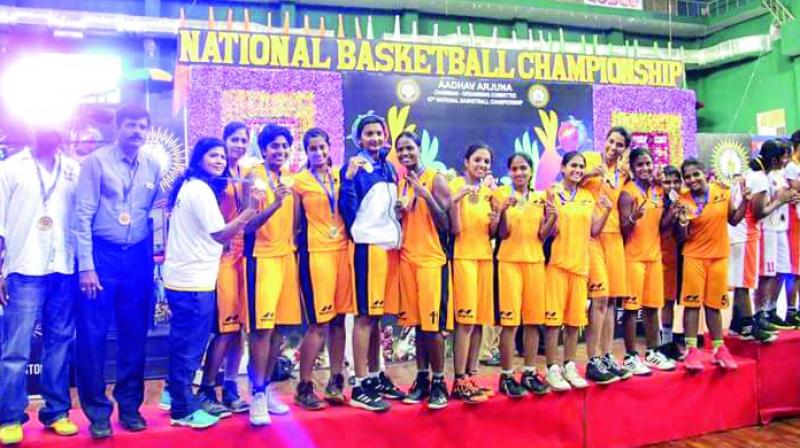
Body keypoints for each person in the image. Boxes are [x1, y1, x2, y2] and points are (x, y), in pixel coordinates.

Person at [73, 104, 162, 439]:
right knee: (93, 338)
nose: (137, 132)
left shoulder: (152, 165)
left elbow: (153, 211)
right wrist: (87, 267)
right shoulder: (96, 163)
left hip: (137, 259)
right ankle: (97, 412)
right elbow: (81, 217)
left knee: (134, 336)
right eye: (130, 125)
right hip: (102, 257)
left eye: (142, 126)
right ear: (117, 128)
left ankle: (129, 407)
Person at [163, 137, 258, 429]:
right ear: (199, 159)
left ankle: (176, 397)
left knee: (185, 344)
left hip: (188, 278)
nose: (218, 161)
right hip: (192, 281)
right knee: (189, 347)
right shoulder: (200, 190)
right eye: (212, 156)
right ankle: (182, 410)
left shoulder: (190, 186)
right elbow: (220, 234)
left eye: (221, 156)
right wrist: (250, 209)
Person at [0, 128, 81, 445]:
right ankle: (9, 417)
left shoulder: (73, 169)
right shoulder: (10, 168)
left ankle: (57, 411)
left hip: (64, 266)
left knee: (59, 343)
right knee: (16, 348)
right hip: (24, 267)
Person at [338, 113, 405, 412]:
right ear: (358, 138)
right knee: (364, 317)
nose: (375, 138)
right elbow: (348, 211)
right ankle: (360, 383)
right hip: (366, 247)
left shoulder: (389, 167)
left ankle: (376, 375)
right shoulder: (353, 168)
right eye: (369, 134)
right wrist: (349, 181)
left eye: (379, 133)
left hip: (388, 250)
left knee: (376, 318)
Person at [241, 124, 300, 425]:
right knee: (261, 331)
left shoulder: (290, 179)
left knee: (280, 331)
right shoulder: (254, 177)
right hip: (261, 260)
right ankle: (257, 394)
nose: (280, 150)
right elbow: (247, 225)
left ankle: (266, 389)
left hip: (286, 259)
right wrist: (276, 204)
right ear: (263, 149)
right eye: (274, 146)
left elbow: (296, 223)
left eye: (284, 146)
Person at [195, 122, 253, 416]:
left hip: (246, 255)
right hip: (223, 255)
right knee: (225, 327)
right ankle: (206, 387)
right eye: (234, 139)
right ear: (224, 140)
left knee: (240, 327)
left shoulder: (245, 174)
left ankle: (230, 386)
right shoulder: (213, 178)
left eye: (244, 140)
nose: (239, 145)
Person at [293, 128, 352, 410]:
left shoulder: (342, 175)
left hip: (342, 252)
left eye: (322, 147)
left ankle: (336, 379)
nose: (318, 152)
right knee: (319, 322)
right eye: (312, 148)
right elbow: (294, 225)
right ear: (306, 151)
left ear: (330, 147)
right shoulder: (299, 182)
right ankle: (304, 385)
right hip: (315, 255)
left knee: (339, 320)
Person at [393, 131, 452, 409]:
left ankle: (440, 381)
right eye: (401, 150)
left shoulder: (435, 178)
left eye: (409, 148)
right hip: (408, 260)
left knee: (433, 327)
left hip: (431, 261)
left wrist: (426, 195)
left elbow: (447, 224)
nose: (405, 154)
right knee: (417, 326)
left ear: (419, 149)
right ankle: (422, 378)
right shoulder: (401, 183)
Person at [544, 151, 610, 391]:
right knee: (553, 322)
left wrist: (608, 211)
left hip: (581, 267)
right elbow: (547, 231)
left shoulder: (586, 196)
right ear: (563, 168)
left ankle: (569, 365)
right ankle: (552, 368)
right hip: (558, 265)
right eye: (573, 165)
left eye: (581, 167)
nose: (578, 170)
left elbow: (594, 230)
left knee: (574, 323)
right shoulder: (552, 192)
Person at [675, 159, 748, 371]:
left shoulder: (722, 192)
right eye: (687, 177)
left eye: (695, 174)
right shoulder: (683, 200)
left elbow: (734, 219)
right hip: (694, 256)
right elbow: (681, 237)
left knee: (714, 305)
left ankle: (719, 349)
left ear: (704, 172)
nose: (692, 179)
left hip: (718, 257)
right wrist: (681, 222)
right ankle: (691, 350)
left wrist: (744, 201)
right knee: (691, 304)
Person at [492, 152, 555, 397]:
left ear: (531, 171)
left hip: (535, 262)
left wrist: (553, 217)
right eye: (514, 169)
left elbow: (543, 235)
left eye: (523, 168)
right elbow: (502, 234)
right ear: (509, 172)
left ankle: (529, 371)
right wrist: (504, 210)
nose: (519, 173)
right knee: (510, 323)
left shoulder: (541, 197)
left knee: (532, 321)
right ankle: (507, 375)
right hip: (508, 262)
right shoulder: (500, 196)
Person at [581, 127, 636, 380]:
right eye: (611, 142)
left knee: (612, 300)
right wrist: (587, 173)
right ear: (604, 141)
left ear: (625, 149)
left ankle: (606, 356)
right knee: (600, 297)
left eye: (620, 145)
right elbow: (566, 181)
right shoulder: (589, 160)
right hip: (593, 235)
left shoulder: (622, 173)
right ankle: (592, 359)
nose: (614, 147)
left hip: (614, 236)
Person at [617, 149, 676, 373]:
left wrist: (673, 209)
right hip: (633, 257)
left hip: (654, 257)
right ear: (632, 168)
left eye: (648, 163)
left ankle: (653, 352)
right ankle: (631, 356)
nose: (645, 168)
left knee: (652, 308)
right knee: (632, 310)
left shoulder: (658, 191)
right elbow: (622, 229)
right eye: (640, 165)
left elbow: (661, 226)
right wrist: (633, 217)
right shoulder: (627, 193)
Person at [449, 144, 497, 403]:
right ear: (466, 161)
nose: (482, 165)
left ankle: (471, 375)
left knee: (479, 322)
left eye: (486, 161)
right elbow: (455, 229)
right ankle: (458, 380)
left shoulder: (489, 192)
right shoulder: (455, 185)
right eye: (477, 160)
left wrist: (497, 216)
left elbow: (491, 233)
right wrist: (456, 200)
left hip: (484, 258)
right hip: (464, 257)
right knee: (465, 322)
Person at [749, 140, 797, 336]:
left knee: (782, 271)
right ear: (775, 158)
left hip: (781, 227)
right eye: (785, 156)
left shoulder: (778, 174)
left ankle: (771, 308)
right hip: (767, 228)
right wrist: (781, 199)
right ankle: (760, 313)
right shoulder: (760, 176)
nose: (787, 160)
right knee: (765, 274)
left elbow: (785, 194)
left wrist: (789, 197)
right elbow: (762, 207)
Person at [658, 165, 687, 360]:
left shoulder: (686, 200)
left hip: (683, 256)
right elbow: (661, 226)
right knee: (665, 301)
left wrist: (683, 220)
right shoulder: (657, 200)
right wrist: (672, 212)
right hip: (662, 257)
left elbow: (684, 233)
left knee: (680, 301)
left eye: (676, 181)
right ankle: (664, 343)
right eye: (667, 182)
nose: (672, 186)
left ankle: (680, 339)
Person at [784, 130, 800, 328]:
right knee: (795, 269)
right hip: (794, 222)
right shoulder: (790, 167)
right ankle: (790, 310)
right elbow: (795, 188)